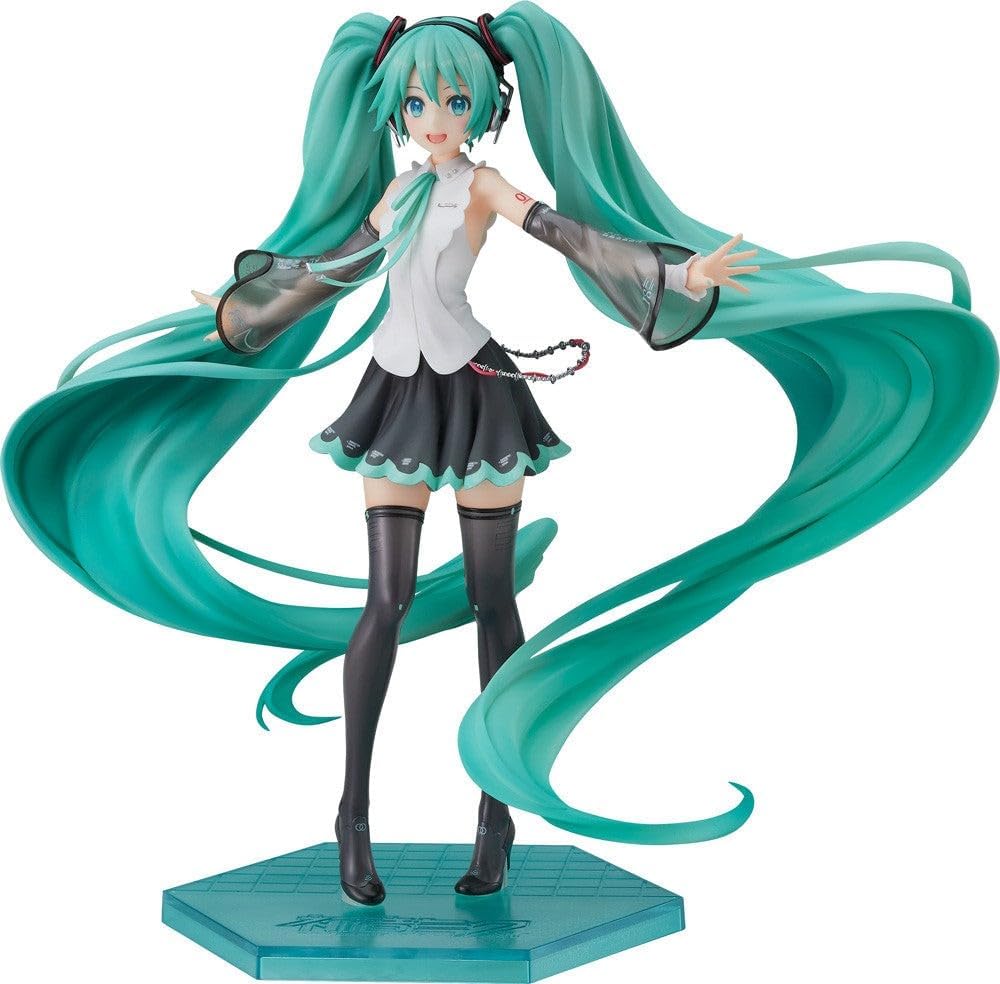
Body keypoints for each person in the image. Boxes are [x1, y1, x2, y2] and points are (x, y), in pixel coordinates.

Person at [4, 5, 995, 910]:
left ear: (482, 106)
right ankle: (352, 815)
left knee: (492, 601)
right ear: (395, 108)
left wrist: (677, 271)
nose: (435, 119)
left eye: (453, 101)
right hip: (395, 394)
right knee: (385, 603)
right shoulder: (397, 194)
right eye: (419, 103)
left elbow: (567, 235)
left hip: (479, 397)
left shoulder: (480, 185)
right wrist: (240, 309)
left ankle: (497, 812)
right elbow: (333, 272)